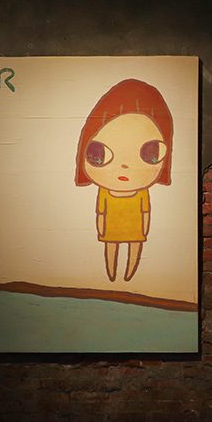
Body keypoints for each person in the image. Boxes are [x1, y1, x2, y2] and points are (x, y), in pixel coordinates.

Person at [74, 79, 173, 281]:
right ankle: (112, 273)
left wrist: (144, 230)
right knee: (111, 249)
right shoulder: (104, 192)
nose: (125, 166)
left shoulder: (141, 192)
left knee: (134, 248)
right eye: (99, 153)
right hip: (111, 232)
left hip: (136, 232)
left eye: (150, 153)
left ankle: (129, 274)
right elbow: (101, 213)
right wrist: (101, 230)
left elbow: (145, 213)